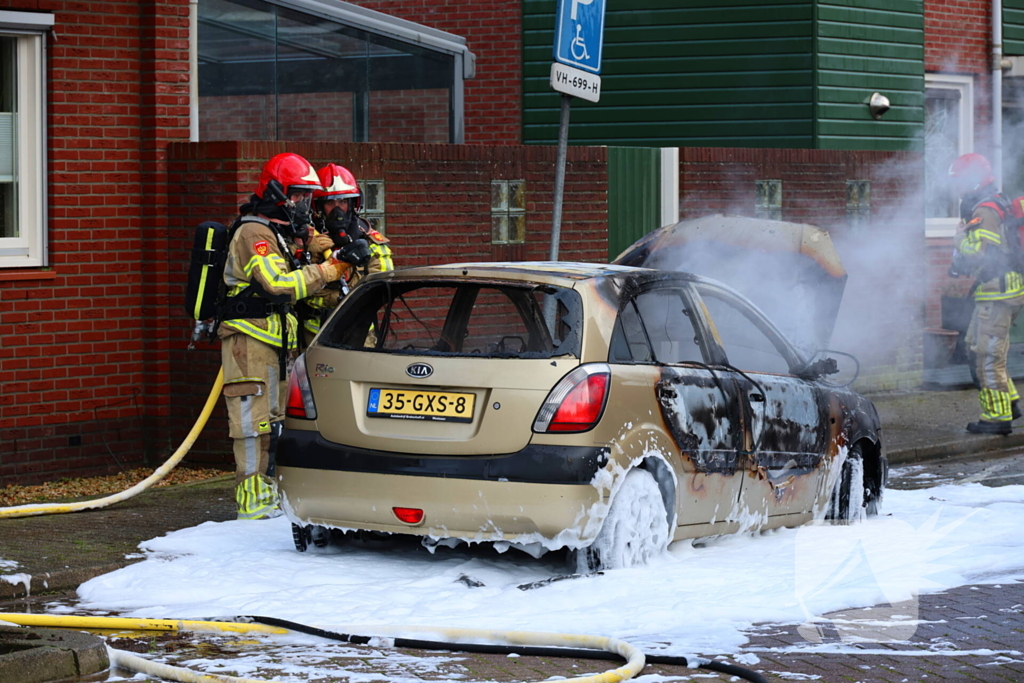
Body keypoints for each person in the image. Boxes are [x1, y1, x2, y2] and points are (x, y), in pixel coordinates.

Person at [219, 152, 348, 519]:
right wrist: (327, 270)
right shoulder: (254, 233)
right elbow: (276, 284)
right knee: (253, 423)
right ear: (276, 193)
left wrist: (320, 256)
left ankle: (269, 495)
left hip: (273, 343)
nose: (304, 204)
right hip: (249, 341)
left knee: (274, 421)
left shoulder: (276, 232)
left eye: (308, 197)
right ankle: (252, 502)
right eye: (298, 196)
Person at [948, 152, 1024, 435]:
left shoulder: (986, 209)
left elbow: (980, 254)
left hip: (998, 293)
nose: (956, 186)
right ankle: (1010, 403)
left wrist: (959, 238)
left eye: (959, 180)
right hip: (998, 290)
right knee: (976, 347)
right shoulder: (996, 200)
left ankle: (996, 417)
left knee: (987, 357)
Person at [300, 163, 393, 344]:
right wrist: (310, 253)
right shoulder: (305, 240)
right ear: (317, 207)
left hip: (359, 333)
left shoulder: (370, 241)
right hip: (314, 336)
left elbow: (383, 288)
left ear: (353, 204)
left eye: (342, 202)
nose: (337, 210)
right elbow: (292, 287)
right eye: (330, 203)